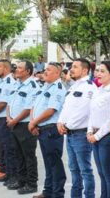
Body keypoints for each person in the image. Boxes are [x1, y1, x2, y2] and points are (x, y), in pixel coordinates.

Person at [57, 58, 97, 198]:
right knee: (74, 169)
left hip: (81, 134)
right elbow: (66, 108)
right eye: (71, 67)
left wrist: (67, 125)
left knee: (85, 170)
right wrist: (60, 122)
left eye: (75, 67)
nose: (71, 69)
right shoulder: (73, 87)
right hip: (70, 134)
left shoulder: (89, 87)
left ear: (85, 70)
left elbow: (84, 111)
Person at [30, 62, 67, 198]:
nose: (45, 72)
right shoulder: (44, 87)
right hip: (41, 128)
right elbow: (34, 105)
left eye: (49, 70)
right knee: (48, 163)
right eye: (45, 69)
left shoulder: (58, 88)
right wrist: (33, 124)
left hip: (51, 129)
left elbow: (51, 110)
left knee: (54, 163)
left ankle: (57, 194)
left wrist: (34, 122)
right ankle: (48, 191)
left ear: (57, 73)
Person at [87, 61, 110, 198]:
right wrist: (89, 131)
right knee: (101, 173)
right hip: (94, 135)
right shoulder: (98, 90)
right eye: (97, 71)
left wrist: (97, 136)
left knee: (108, 174)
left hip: (106, 137)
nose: (98, 74)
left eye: (102, 71)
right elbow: (92, 113)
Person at [7, 60, 39, 195]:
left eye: (20, 68)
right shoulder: (17, 85)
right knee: (18, 154)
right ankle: (21, 180)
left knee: (28, 155)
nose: (16, 69)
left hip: (25, 125)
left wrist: (14, 120)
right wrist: (9, 118)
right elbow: (9, 103)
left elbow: (28, 108)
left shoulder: (33, 86)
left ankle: (31, 183)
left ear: (27, 71)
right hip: (14, 123)